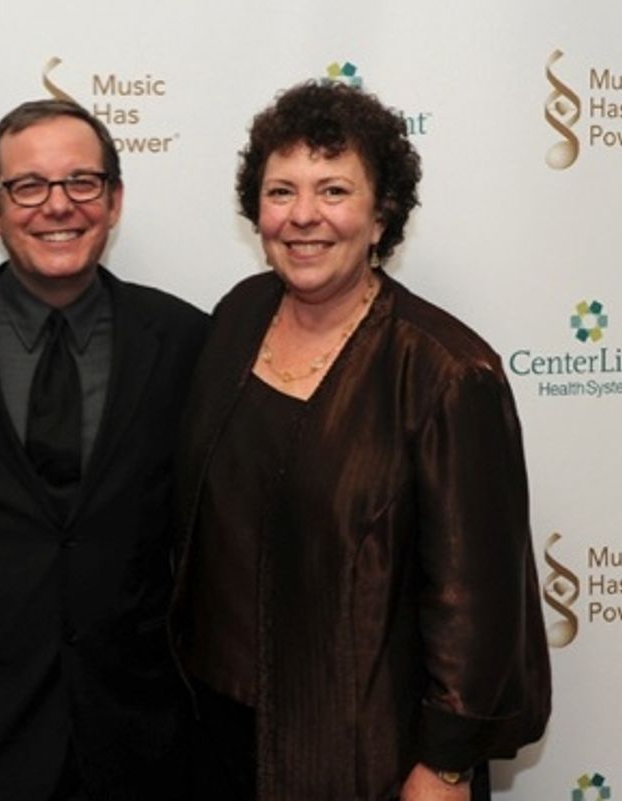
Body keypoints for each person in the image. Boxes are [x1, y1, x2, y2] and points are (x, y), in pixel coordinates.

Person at [169, 81, 551, 801]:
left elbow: (480, 605)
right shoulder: (239, 314)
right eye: (281, 191)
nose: (303, 216)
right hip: (216, 728)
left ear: (381, 216)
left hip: (363, 749)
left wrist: (442, 769)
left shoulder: (446, 373)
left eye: (334, 189)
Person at [0, 99, 208, 801]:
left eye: (82, 182)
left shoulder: (187, 341)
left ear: (115, 199)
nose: (58, 206)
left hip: (142, 733)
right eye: (29, 186)